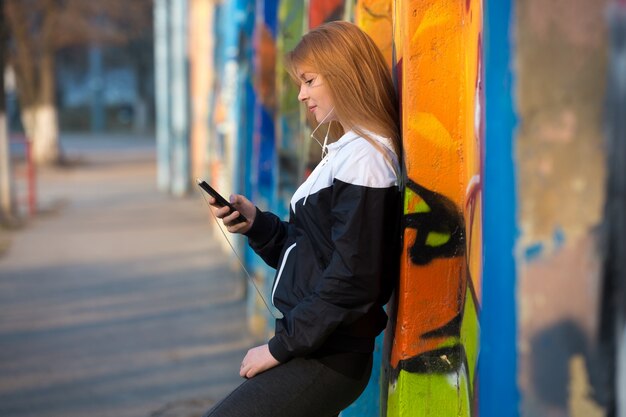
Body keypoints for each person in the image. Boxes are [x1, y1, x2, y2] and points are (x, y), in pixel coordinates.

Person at [202, 20, 401, 417]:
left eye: (309, 81)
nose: (300, 94)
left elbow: (351, 280)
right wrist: (258, 224)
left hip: (328, 357)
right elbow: (318, 255)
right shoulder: (349, 152)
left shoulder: (365, 160)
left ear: (344, 75)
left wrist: (279, 348)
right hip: (318, 347)